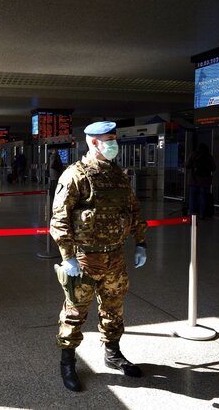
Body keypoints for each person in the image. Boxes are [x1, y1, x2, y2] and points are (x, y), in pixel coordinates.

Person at [50, 121, 148, 392]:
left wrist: (141, 243)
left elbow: (134, 210)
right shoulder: (75, 175)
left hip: (115, 258)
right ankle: (67, 364)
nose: (113, 143)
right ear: (94, 142)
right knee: (74, 313)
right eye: (109, 139)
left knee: (114, 309)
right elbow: (59, 219)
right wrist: (68, 256)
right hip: (84, 260)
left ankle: (113, 353)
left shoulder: (118, 175)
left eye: (114, 138)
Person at [185, 142, 216, 219]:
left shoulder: (193, 154)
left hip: (193, 181)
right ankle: (202, 214)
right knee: (203, 198)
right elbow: (214, 167)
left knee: (192, 198)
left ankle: (192, 214)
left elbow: (187, 165)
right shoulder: (209, 156)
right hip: (205, 182)